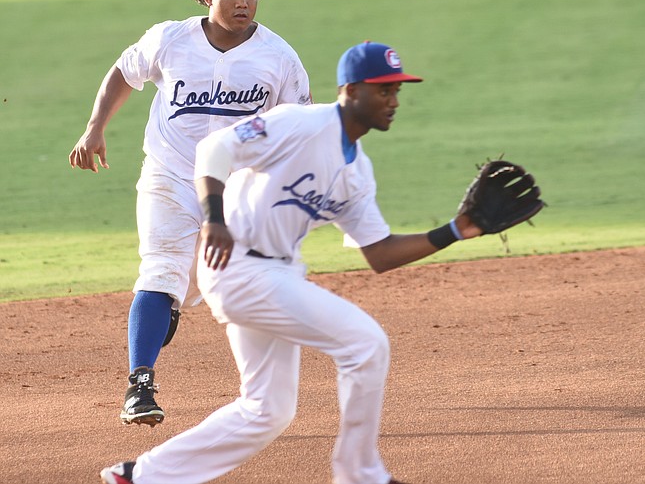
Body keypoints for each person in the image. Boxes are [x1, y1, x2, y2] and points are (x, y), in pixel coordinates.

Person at [100, 41, 484, 484]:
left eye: (397, 91)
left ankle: (141, 476)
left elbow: (378, 252)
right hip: (237, 266)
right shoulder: (298, 123)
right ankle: (361, 474)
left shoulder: (357, 169)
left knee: (267, 410)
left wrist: (456, 230)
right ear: (350, 89)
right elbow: (214, 150)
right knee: (366, 344)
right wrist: (214, 217)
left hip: (274, 272)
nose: (393, 101)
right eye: (383, 91)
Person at [69, 0, 311, 427]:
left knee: (223, 284)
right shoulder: (170, 39)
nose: (243, 2)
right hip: (170, 175)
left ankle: (181, 315)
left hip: (241, 187)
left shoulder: (279, 56)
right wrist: (95, 127)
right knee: (161, 272)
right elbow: (124, 71)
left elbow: (298, 121)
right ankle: (140, 384)